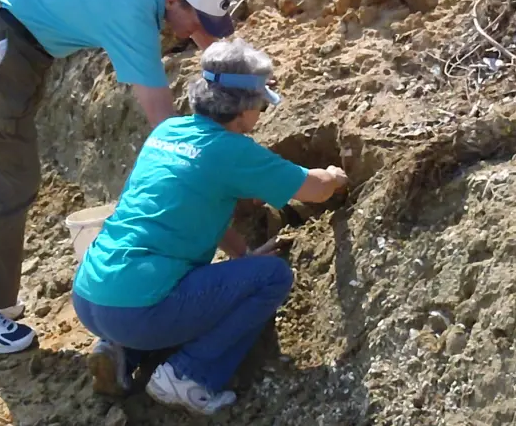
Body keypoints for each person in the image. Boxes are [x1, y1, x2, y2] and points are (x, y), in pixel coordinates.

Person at [0, 0, 238, 355]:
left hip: (5, 33)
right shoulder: (130, 14)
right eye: (198, 23)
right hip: (5, 47)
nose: (196, 35)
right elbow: (166, 129)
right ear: (174, 3)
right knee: (8, 179)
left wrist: (233, 72)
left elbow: (199, 23)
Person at [71, 38, 350, 416]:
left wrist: (243, 255)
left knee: (173, 287)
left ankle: (121, 351)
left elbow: (195, 211)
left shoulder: (167, 133)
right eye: (260, 104)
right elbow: (314, 190)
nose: (262, 113)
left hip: (91, 296)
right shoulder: (232, 151)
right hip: (138, 308)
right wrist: (334, 175)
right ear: (244, 107)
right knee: (272, 277)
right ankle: (189, 376)